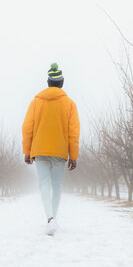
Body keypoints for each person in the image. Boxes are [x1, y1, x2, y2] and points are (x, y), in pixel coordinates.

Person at [22, 62, 80, 235]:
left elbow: (27, 127)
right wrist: (73, 155)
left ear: (48, 83)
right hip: (60, 152)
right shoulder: (69, 104)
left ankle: (50, 218)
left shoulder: (35, 103)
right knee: (56, 185)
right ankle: (53, 218)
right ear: (61, 83)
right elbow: (73, 132)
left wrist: (27, 151)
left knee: (44, 184)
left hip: (39, 150)